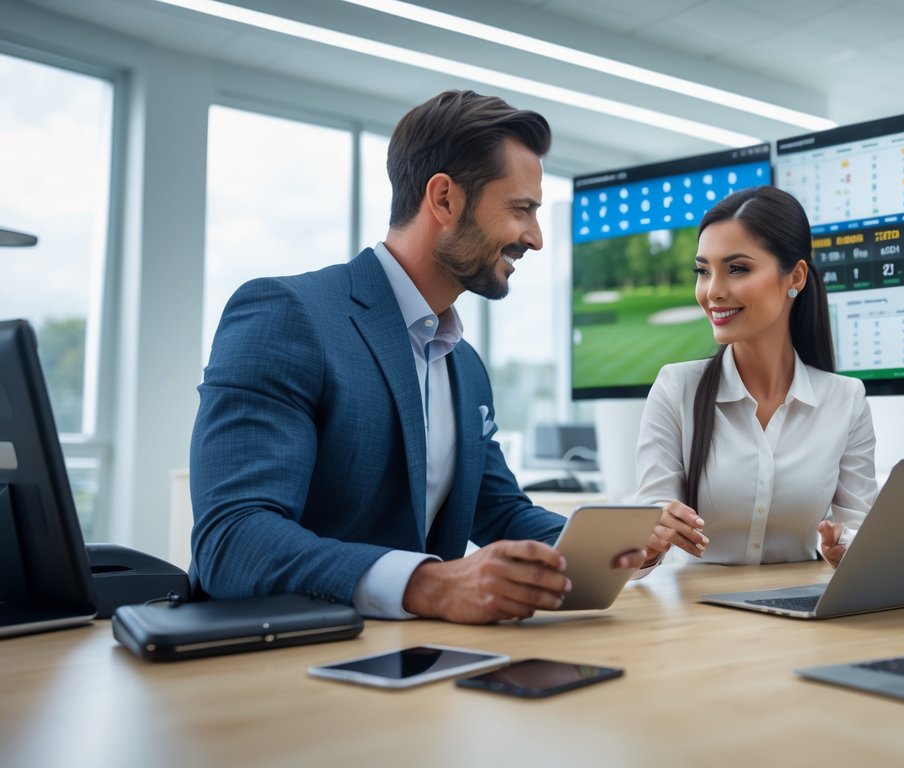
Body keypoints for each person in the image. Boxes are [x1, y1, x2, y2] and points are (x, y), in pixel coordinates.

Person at [190, 89, 643, 624]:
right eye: (521, 209)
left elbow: (499, 512)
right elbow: (232, 538)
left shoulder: (464, 365)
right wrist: (428, 585)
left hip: (422, 658)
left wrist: (615, 545)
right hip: (282, 656)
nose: (536, 238)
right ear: (444, 199)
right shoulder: (286, 315)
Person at [634, 185, 877, 570]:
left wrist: (846, 550)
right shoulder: (675, 389)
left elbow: (860, 529)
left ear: (795, 276)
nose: (712, 291)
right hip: (694, 607)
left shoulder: (846, 400)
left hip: (800, 606)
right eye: (703, 271)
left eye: (737, 269)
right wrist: (649, 539)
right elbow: (648, 527)